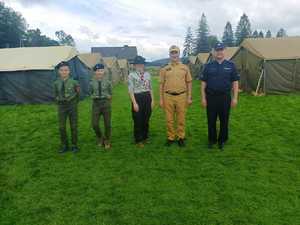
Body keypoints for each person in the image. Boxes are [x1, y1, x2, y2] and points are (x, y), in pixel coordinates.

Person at [200, 42, 240, 150]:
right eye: (217, 50)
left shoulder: (231, 65)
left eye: (221, 50)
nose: (219, 52)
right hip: (211, 97)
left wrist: (235, 98)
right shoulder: (208, 66)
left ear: (224, 51)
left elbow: (235, 82)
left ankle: (222, 140)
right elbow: (203, 83)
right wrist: (203, 98)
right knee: (211, 120)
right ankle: (212, 140)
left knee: (224, 119)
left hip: (225, 97)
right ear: (214, 52)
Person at [159, 45, 193, 147]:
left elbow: (189, 82)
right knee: (169, 119)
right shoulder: (164, 69)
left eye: (176, 52)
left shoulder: (185, 68)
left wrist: (189, 97)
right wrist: (161, 99)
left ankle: (181, 137)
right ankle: (170, 137)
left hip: (181, 96)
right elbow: (161, 84)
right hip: (168, 96)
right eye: (172, 53)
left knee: (181, 118)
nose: (174, 54)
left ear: (179, 54)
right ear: (169, 55)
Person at [54, 61, 80, 153]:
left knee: (73, 126)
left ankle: (74, 145)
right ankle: (64, 145)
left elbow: (78, 94)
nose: (64, 72)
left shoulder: (74, 82)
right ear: (59, 71)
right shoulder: (56, 83)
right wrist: (59, 101)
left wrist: (73, 103)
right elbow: (56, 94)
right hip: (61, 106)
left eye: (66, 70)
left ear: (69, 71)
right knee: (61, 127)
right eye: (62, 70)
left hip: (72, 105)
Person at [128, 56, 154, 147]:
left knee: (146, 119)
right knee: (138, 119)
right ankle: (138, 140)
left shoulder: (148, 74)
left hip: (147, 97)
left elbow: (150, 88)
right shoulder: (131, 75)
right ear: (134, 65)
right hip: (137, 97)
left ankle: (145, 137)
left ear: (144, 65)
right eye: (137, 64)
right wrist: (134, 103)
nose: (140, 66)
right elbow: (130, 90)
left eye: (141, 64)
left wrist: (152, 100)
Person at [90, 63, 112, 149]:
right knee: (94, 124)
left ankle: (107, 140)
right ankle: (100, 137)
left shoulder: (108, 82)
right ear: (95, 72)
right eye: (97, 71)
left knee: (107, 124)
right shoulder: (91, 82)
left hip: (105, 103)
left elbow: (110, 93)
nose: (99, 72)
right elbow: (91, 92)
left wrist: (109, 102)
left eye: (101, 70)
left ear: (104, 71)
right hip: (96, 103)